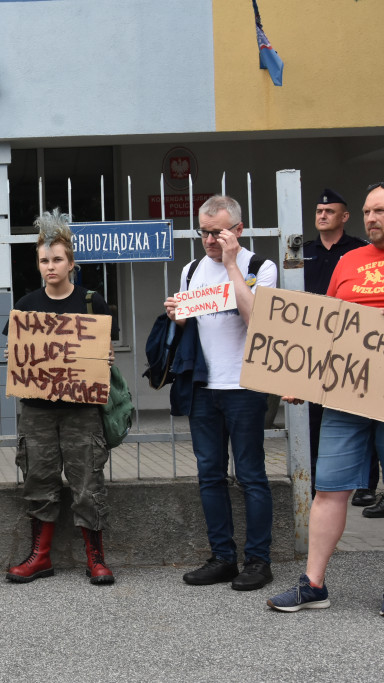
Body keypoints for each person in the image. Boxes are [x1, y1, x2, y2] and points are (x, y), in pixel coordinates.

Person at [268, 183, 384, 614]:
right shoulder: (349, 262)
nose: (373, 218)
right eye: (369, 211)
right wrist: (304, 378)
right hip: (346, 398)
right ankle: (313, 584)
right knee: (329, 488)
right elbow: (326, 331)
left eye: (381, 211)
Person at [162, 195, 278, 591]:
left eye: (218, 233)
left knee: (251, 476)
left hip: (244, 387)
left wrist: (230, 265)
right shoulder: (191, 270)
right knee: (210, 475)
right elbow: (188, 328)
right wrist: (176, 319)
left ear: (238, 231)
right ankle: (223, 558)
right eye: (204, 232)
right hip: (203, 387)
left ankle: (258, 561)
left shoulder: (260, 267)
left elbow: (257, 321)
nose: (210, 240)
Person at [2, 210, 118, 586]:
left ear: (71, 262)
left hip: (81, 411)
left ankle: (96, 559)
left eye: (56, 259)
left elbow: (101, 352)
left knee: (88, 481)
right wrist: (14, 355)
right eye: (43, 260)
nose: (50, 266)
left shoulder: (91, 302)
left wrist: (106, 357)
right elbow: (17, 352)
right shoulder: (26, 304)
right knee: (39, 478)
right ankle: (40, 557)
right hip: (37, 411)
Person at [301, 188, 374, 503]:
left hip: (360, 347)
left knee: (366, 417)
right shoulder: (301, 252)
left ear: (344, 216)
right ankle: (320, 482)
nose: (322, 216)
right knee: (317, 416)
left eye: (329, 212)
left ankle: (366, 485)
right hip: (317, 344)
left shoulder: (360, 251)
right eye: (319, 211)